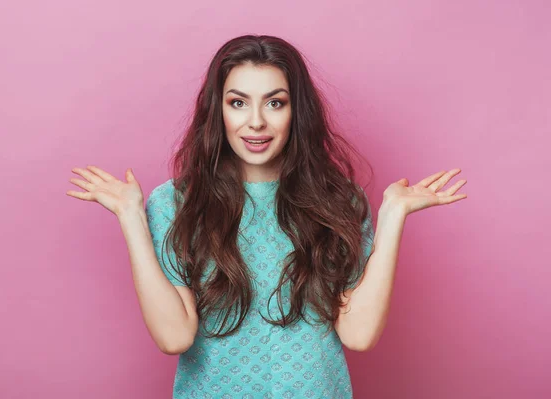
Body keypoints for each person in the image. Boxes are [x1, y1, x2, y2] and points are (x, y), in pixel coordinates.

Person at [67, 35, 467, 399]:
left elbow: (358, 334)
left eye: (275, 102)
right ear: (217, 110)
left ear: (297, 112)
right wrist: (131, 218)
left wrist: (394, 214)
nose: (255, 121)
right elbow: (174, 337)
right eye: (238, 102)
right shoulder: (176, 203)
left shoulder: (338, 200)